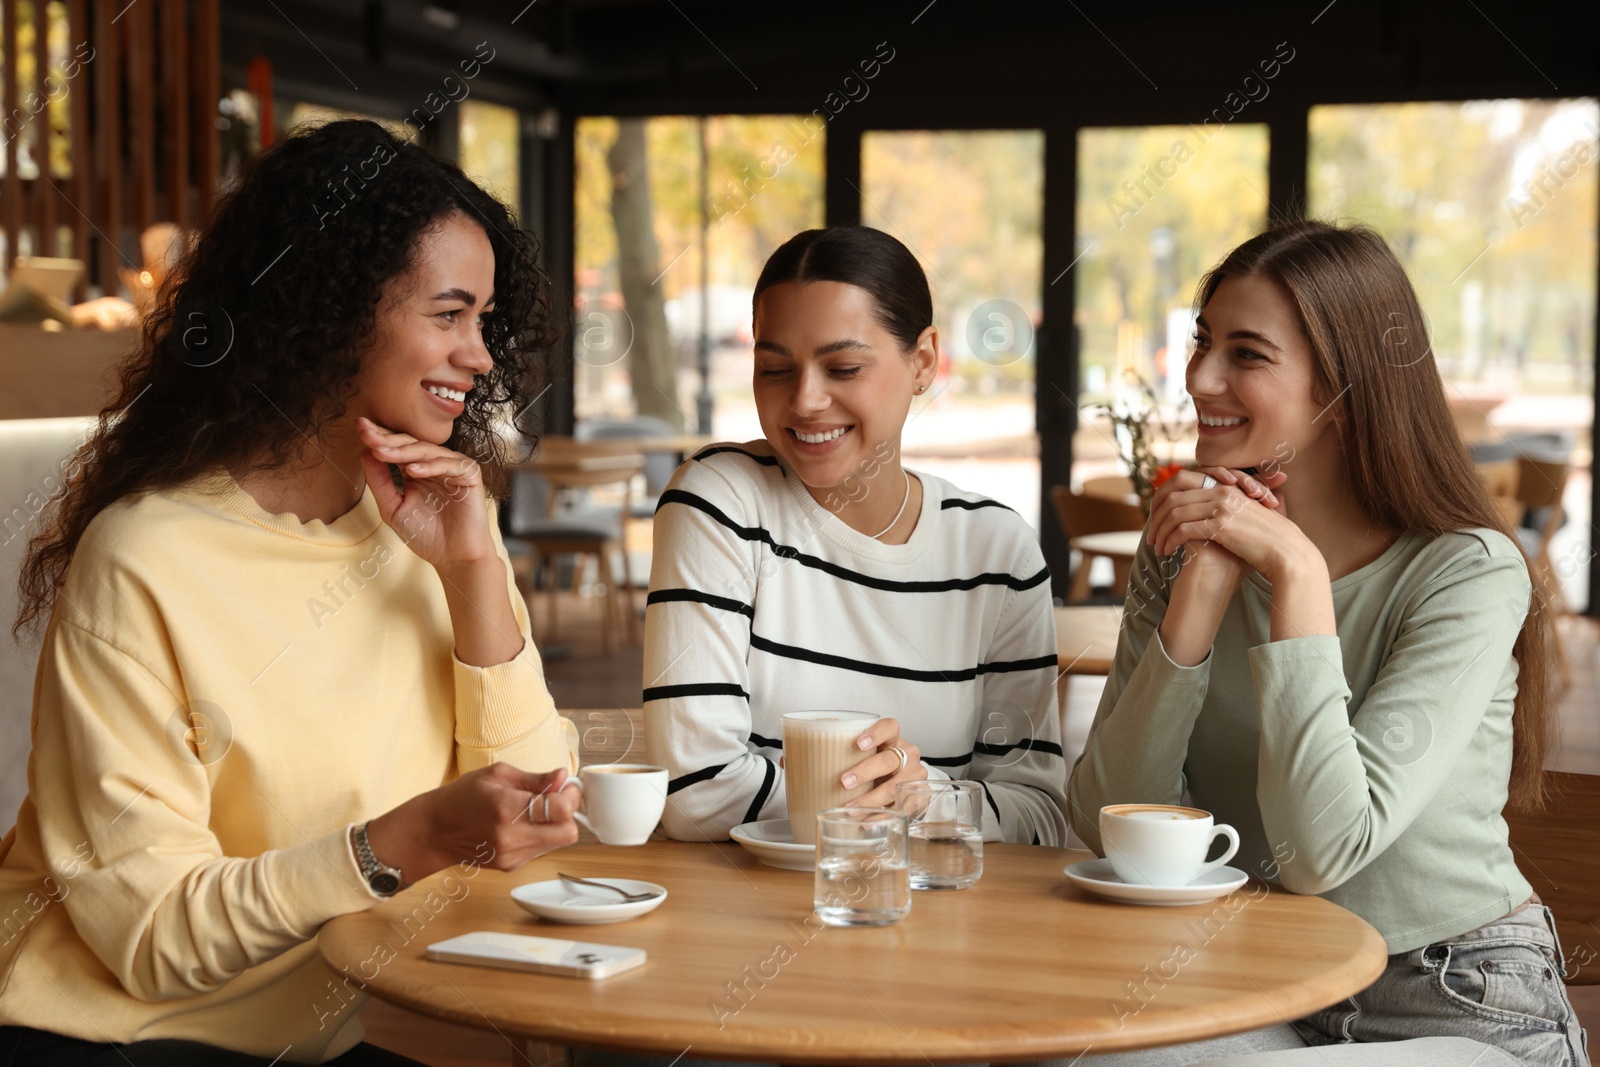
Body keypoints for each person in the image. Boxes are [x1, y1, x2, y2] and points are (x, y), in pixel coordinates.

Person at [0, 120, 583, 1066]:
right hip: (116, 1035)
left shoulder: (439, 529)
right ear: (334, 308)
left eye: (484, 320)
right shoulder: (146, 558)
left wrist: (473, 576)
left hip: (317, 1033)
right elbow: (154, 942)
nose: (479, 356)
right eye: (448, 314)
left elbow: (539, 810)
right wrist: (403, 839)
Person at [1065, 219, 1589, 1066]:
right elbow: (1105, 823)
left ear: (1345, 387)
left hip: (1453, 994)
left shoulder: (1468, 571)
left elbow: (1323, 850)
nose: (1200, 378)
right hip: (1259, 975)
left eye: (1246, 353)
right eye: (1203, 344)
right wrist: (1195, 602)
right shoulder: (1185, 551)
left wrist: (1299, 579)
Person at [644, 225, 1068, 847]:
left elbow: (1040, 820)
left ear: (923, 361)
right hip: (740, 921)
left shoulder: (996, 550)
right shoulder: (721, 503)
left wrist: (924, 798)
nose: (806, 400)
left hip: (937, 927)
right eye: (774, 368)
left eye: (843, 366)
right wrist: (910, 808)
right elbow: (695, 792)